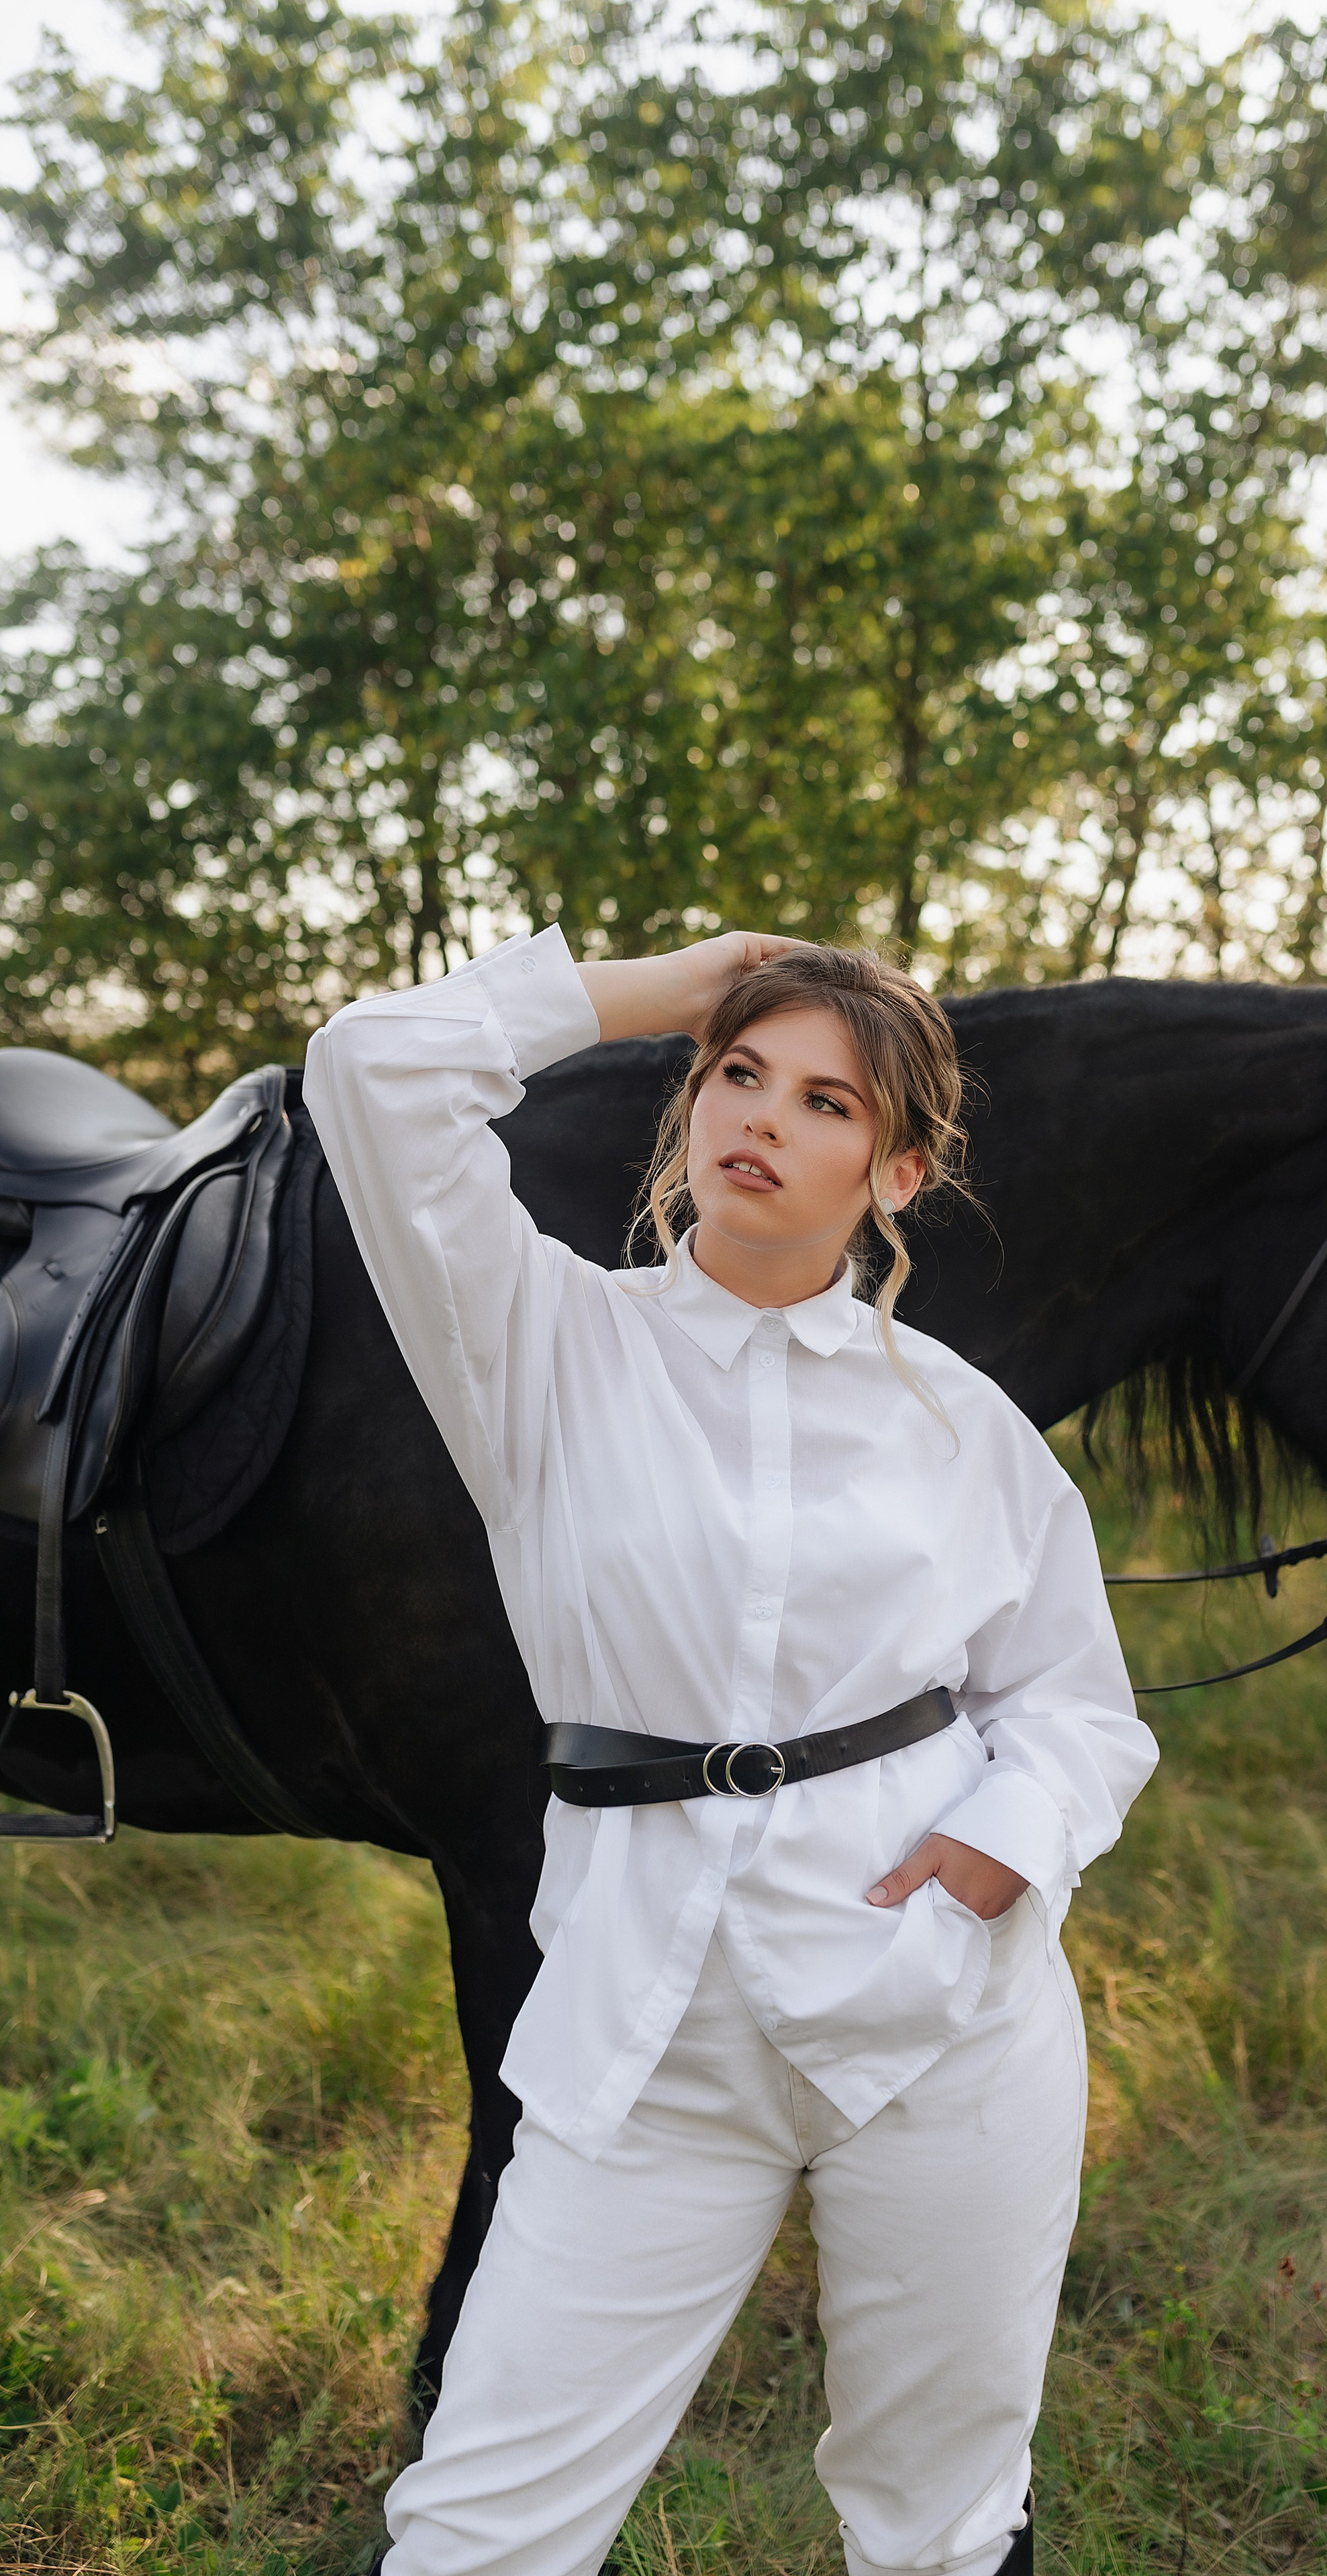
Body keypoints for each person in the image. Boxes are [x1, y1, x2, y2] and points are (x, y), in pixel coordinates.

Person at [303, 926, 1158, 2576]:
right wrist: (669, 977)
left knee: (942, 2516)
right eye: (736, 1072)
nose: (757, 1116)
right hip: (648, 2034)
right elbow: (371, 1069)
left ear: (895, 1170)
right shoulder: (542, 1342)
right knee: (480, 2519)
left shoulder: (958, 1420)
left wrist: (1007, 1839)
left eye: (824, 1099)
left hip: (943, 2017)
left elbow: (1073, 1702)